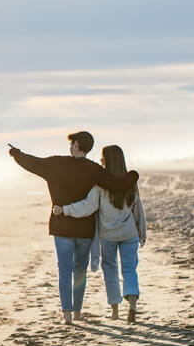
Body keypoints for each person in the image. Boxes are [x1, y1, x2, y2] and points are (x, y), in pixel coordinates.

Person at [9, 132, 139, 325]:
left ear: (76, 145)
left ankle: (67, 315)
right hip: (84, 230)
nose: (70, 146)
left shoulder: (55, 164)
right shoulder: (94, 170)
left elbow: (32, 163)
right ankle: (78, 312)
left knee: (64, 270)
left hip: (61, 227)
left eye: (72, 143)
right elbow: (118, 185)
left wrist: (16, 153)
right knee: (80, 271)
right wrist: (134, 175)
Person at [53, 144, 146, 323]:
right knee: (129, 269)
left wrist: (65, 209)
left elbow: (87, 207)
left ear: (107, 161)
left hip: (108, 235)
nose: (100, 160)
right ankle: (132, 306)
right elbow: (138, 210)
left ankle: (115, 310)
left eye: (103, 157)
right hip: (129, 234)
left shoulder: (100, 185)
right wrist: (142, 233)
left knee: (110, 270)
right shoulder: (130, 184)